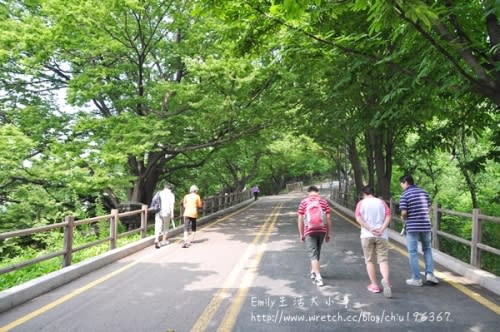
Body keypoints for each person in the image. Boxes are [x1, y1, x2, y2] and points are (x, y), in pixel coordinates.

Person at [399, 174, 439, 286]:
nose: (401, 186)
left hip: (412, 227)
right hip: (425, 226)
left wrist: (403, 218)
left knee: (413, 252)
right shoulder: (424, 193)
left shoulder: (405, 195)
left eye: (401, 184)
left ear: (406, 182)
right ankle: (430, 274)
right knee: (427, 249)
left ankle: (416, 278)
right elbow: (428, 208)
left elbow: (404, 213)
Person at [355, 185, 392, 298]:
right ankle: (386, 281)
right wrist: (381, 228)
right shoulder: (381, 202)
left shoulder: (361, 203)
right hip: (382, 235)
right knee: (383, 260)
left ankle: (374, 285)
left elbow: (358, 218)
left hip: (367, 235)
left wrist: (369, 228)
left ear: (363, 194)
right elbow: (388, 216)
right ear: (373, 193)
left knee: (370, 260)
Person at [297, 185, 332, 287]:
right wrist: (328, 233)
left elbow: (300, 219)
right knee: (317, 250)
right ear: (318, 192)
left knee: (313, 253)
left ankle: (318, 276)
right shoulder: (323, 202)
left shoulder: (304, 202)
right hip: (321, 230)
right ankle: (314, 270)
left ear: (308, 193)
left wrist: (301, 233)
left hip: (309, 230)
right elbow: (328, 218)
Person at [151, 183, 175, 249]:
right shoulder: (171, 195)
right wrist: (172, 214)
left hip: (158, 211)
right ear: (170, 189)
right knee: (166, 226)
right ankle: (164, 240)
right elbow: (171, 205)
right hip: (166, 212)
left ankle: (156, 239)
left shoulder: (159, 193)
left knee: (158, 226)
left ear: (164, 188)